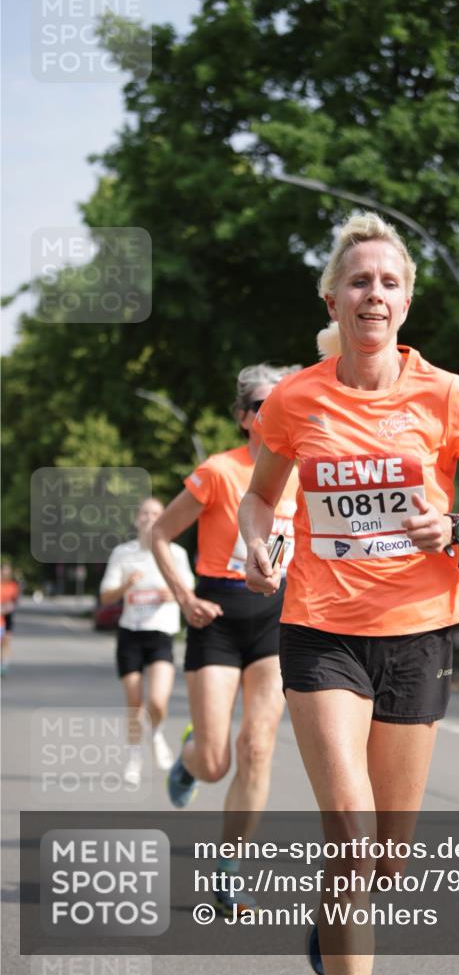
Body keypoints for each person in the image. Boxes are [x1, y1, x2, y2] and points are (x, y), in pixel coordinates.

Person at [238, 212, 459, 974]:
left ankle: (330, 932)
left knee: (385, 860)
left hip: (417, 631)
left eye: (389, 282)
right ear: (331, 300)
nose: (374, 292)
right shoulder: (295, 401)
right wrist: (259, 545)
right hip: (320, 630)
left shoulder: (444, 395)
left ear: (404, 304)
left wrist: (456, 526)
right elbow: (262, 497)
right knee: (351, 834)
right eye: (358, 280)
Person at [151, 363, 299, 914]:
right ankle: (190, 760)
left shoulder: (305, 474)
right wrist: (184, 597)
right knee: (217, 761)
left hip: (276, 621)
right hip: (216, 618)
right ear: (244, 418)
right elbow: (160, 535)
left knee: (257, 747)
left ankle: (231, 862)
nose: (273, 412)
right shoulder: (217, 472)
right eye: (262, 406)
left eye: (282, 402)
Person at [99, 498, 193, 784]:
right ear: (137, 519)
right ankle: (134, 758)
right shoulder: (123, 554)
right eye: (144, 513)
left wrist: (174, 593)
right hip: (130, 633)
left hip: (161, 633)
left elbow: (190, 588)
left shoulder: (176, 553)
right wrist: (127, 585)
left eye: (155, 513)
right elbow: (105, 597)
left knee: (157, 700)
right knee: (134, 702)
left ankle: (156, 733)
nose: (149, 517)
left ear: (164, 517)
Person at [0, 562, 21, 676]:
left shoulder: (13, 585)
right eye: (4, 570)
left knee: (6, 640)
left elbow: (14, 602)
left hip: (7, 615)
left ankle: (4, 664)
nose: (5, 572)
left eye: (7, 570)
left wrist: (5, 608)